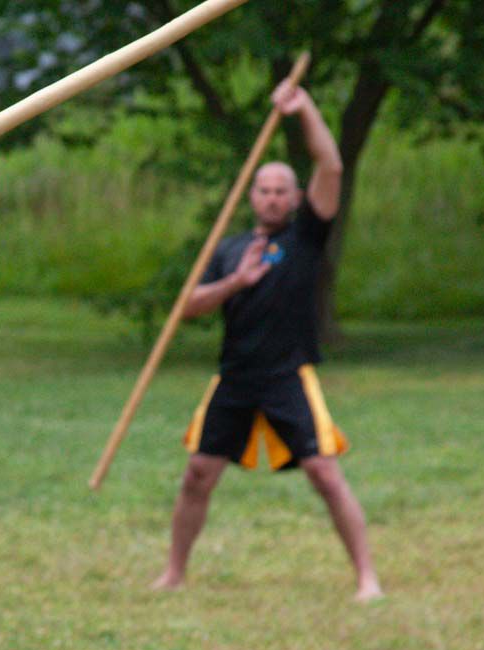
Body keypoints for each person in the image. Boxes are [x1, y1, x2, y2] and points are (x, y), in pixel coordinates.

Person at [152, 79, 383, 601]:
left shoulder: (305, 236)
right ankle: (174, 573)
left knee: (324, 473)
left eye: (282, 189)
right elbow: (188, 306)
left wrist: (305, 110)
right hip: (235, 376)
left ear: (295, 197)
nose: (274, 197)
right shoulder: (230, 248)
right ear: (252, 196)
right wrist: (237, 282)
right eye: (265, 189)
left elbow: (333, 167)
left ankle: (367, 577)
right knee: (197, 475)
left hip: (288, 373)